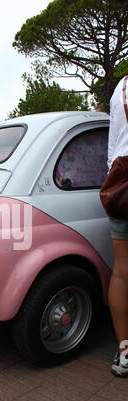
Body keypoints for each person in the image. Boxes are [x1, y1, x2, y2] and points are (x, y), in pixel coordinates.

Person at [104, 75, 128, 377]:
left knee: (122, 269)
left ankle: (124, 349)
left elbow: (112, 148)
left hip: (121, 183)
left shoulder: (120, 87)